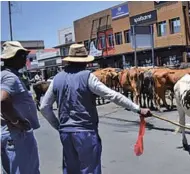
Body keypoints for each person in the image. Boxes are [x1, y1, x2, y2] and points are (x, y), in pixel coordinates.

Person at [39, 44, 152, 174]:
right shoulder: (87, 77)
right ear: (84, 62)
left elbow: (44, 107)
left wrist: (59, 126)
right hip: (85, 132)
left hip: (66, 133)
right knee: (90, 169)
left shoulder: (56, 79)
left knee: (71, 170)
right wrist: (137, 109)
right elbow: (112, 95)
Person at [1, 41, 41, 173]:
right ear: (15, 57)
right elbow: (2, 100)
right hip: (17, 134)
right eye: (23, 56)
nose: (25, 59)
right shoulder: (10, 77)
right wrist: (17, 121)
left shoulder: (3, 75)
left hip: (7, 133)